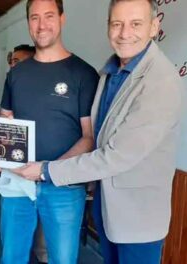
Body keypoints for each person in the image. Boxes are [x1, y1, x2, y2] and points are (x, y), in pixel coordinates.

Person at [11, 0, 184, 263]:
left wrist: (46, 170)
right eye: (117, 24)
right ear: (108, 27)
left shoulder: (159, 81)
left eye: (135, 24)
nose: (125, 33)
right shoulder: (111, 72)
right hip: (108, 210)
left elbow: (116, 155)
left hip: (138, 219)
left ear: (154, 26)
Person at [0, 0, 99, 263]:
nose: (41, 24)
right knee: (12, 257)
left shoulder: (83, 73)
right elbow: (5, 124)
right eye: (34, 17)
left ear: (62, 18)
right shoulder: (16, 75)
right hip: (17, 183)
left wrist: (48, 170)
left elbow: (88, 136)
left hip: (64, 186)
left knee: (61, 259)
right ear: (28, 23)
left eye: (49, 16)